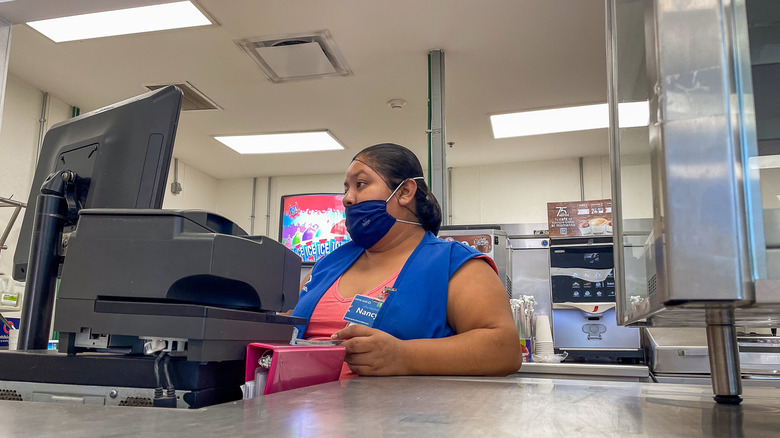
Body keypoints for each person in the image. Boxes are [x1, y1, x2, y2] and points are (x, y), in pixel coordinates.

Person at [291, 143, 522, 377]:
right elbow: (282, 325)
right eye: (347, 188)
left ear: (405, 192)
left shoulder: (454, 263)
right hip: (294, 408)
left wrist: (403, 355)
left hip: (393, 411)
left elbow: (503, 349)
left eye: (360, 184)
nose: (347, 198)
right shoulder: (327, 265)